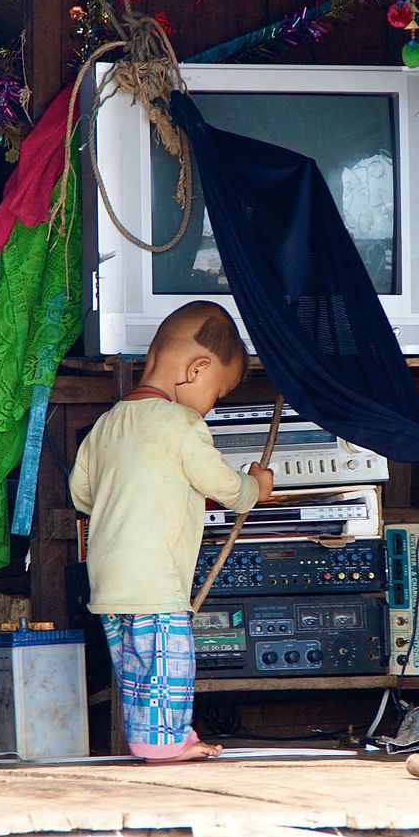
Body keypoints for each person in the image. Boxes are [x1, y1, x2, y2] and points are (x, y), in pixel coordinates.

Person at [69, 301, 273, 762]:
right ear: (196, 369)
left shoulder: (105, 425)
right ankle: (167, 743)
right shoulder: (183, 424)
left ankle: (150, 738)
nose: (212, 405)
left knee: (135, 670)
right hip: (155, 580)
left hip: (107, 581)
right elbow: (224, 487)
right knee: (168, 667)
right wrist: (255, 486)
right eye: (216, 393)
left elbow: (81, 495)